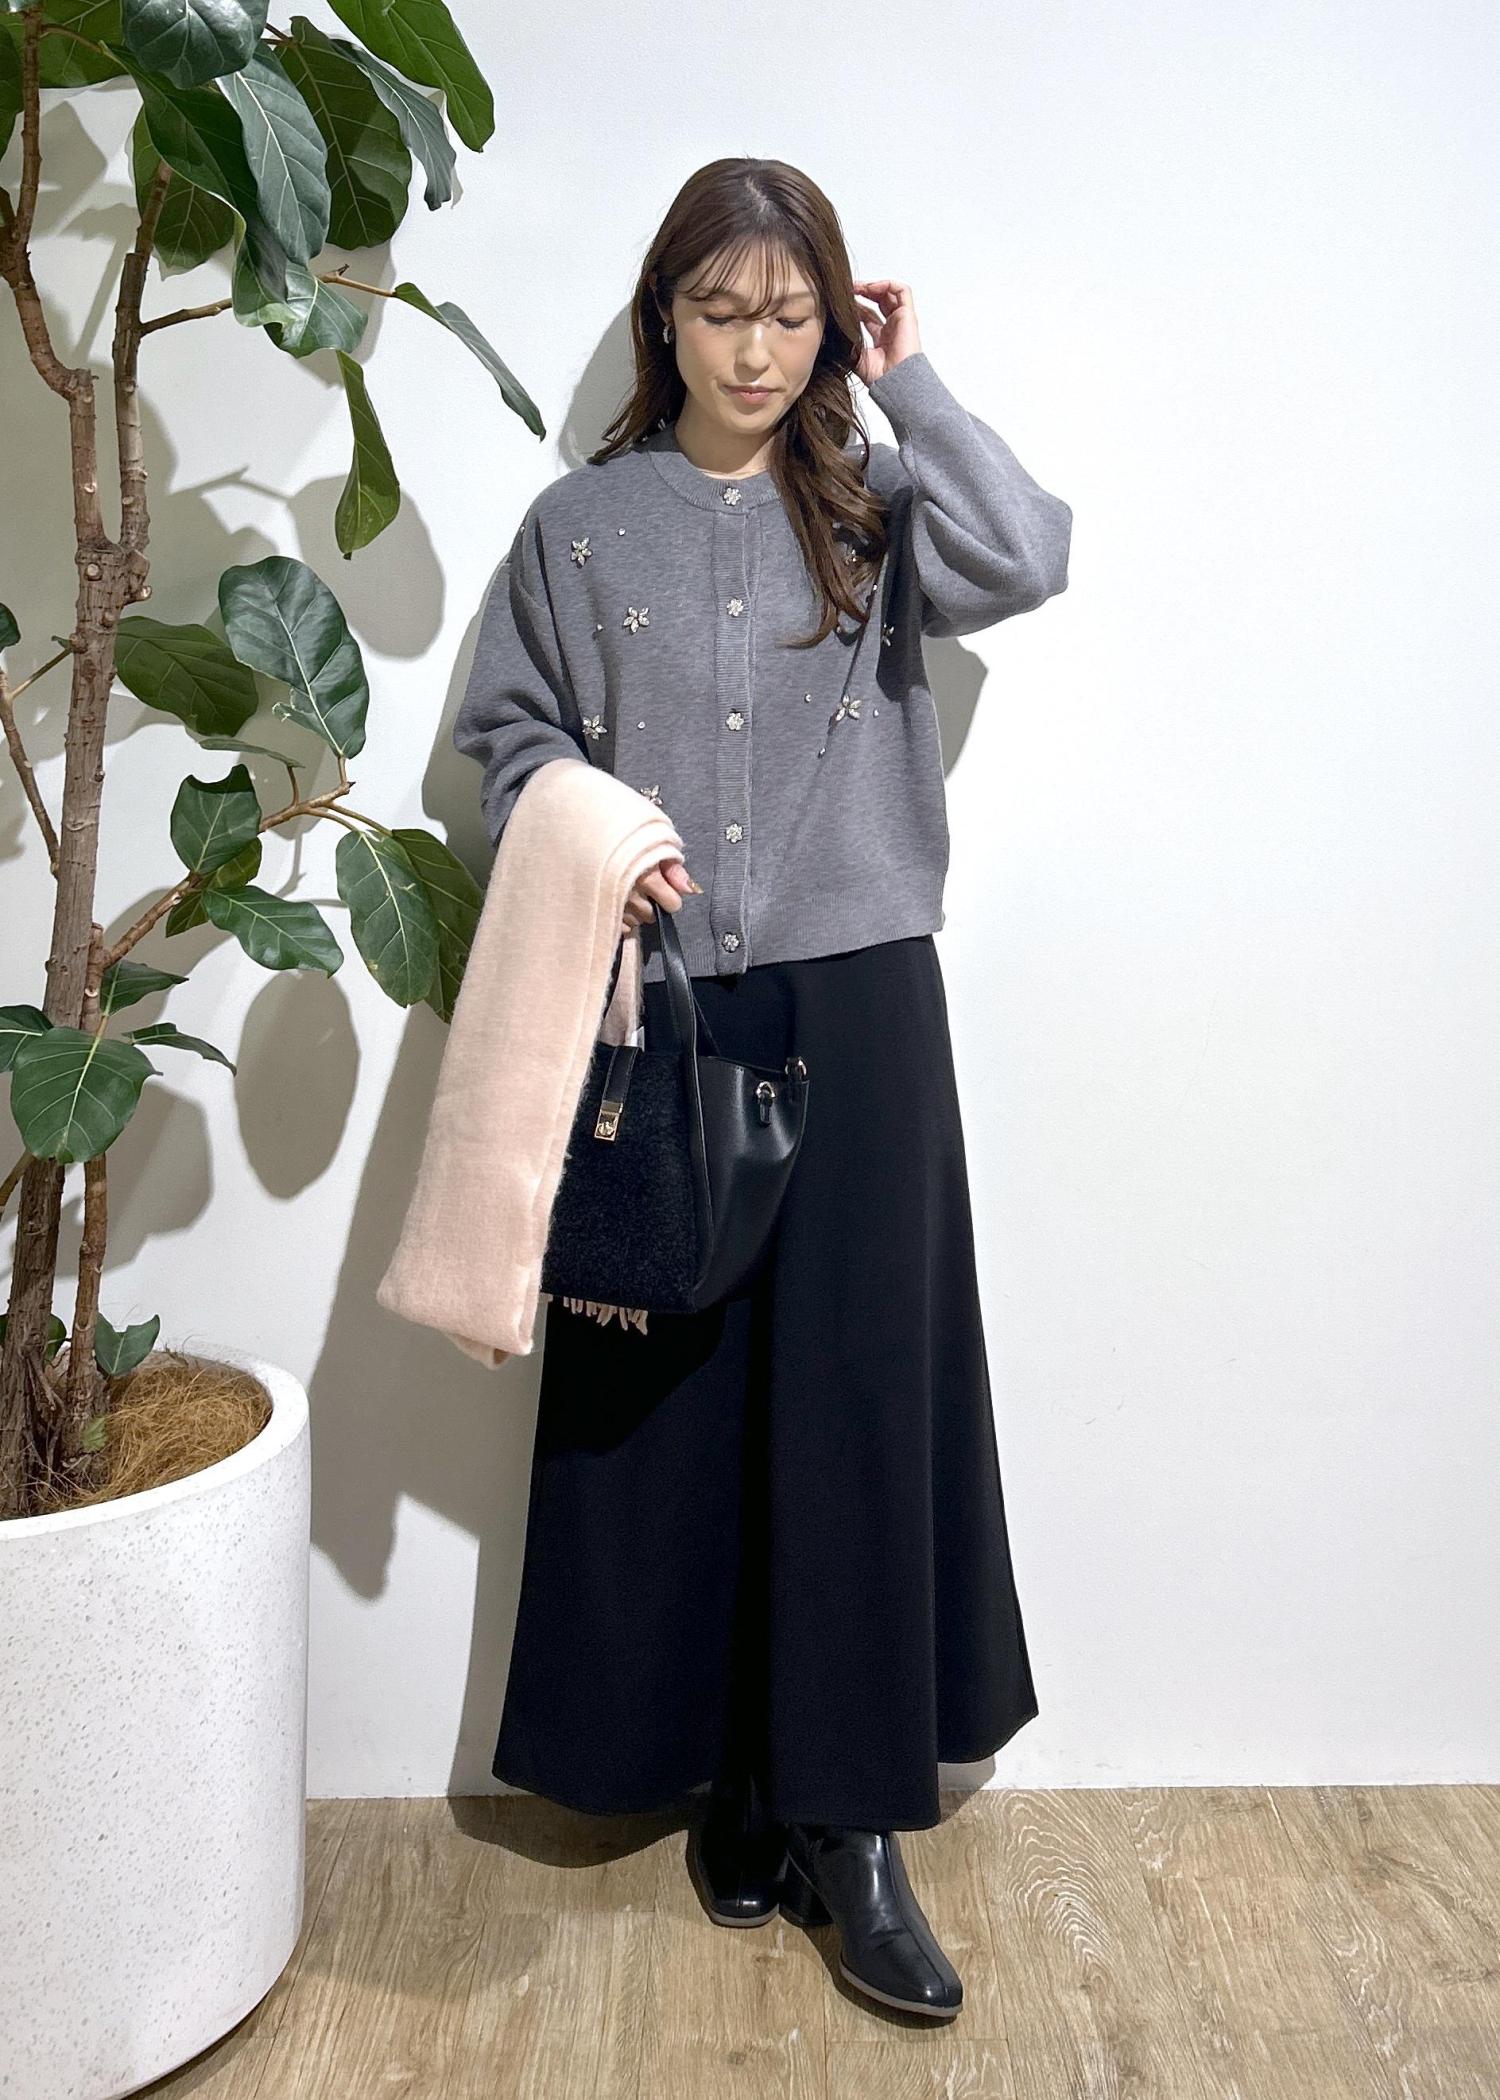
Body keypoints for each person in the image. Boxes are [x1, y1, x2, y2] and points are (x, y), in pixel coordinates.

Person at [452, 156, 1071, 2022]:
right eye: (723, 311)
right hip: (658, 1007)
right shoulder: (581, 526)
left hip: (863, 1004)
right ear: (667, 316)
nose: (756, 349)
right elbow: (505, 732)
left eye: (793, 315)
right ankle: (725, 1777)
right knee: (672, 1395)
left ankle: (850, 1824)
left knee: (860, 1402)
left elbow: (1030, 557)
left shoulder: (874, 501)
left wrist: (911, 383)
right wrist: (595, 829)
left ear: (833, 327)